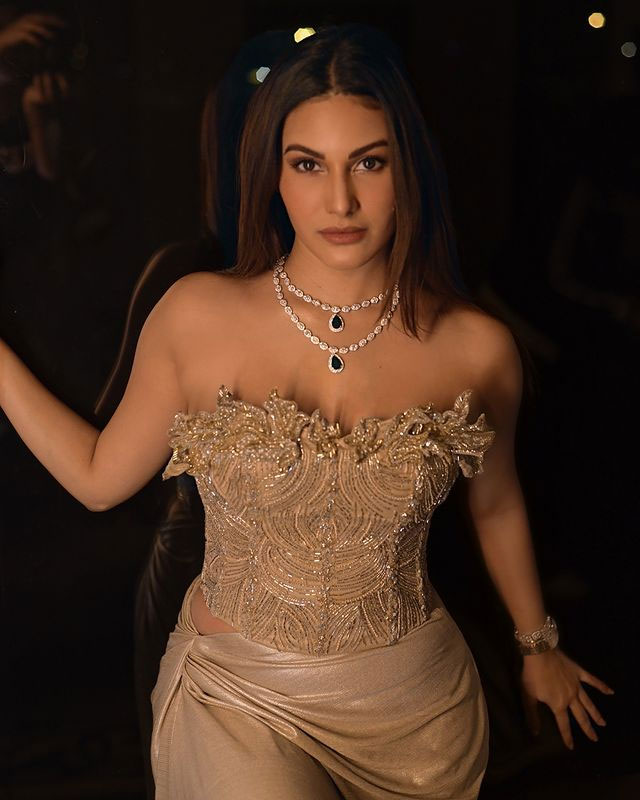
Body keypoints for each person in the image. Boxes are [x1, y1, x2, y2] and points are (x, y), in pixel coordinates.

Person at [0, 22, 614, 800]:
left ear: (409, 166)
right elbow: (97, 478)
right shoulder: (197, 315)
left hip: (416, 712)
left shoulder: (477, 348)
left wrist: (536, 645)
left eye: (369, 162)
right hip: (239, 698)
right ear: (273, 174)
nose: (341, 200)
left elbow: (495, 504)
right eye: (308, 164)